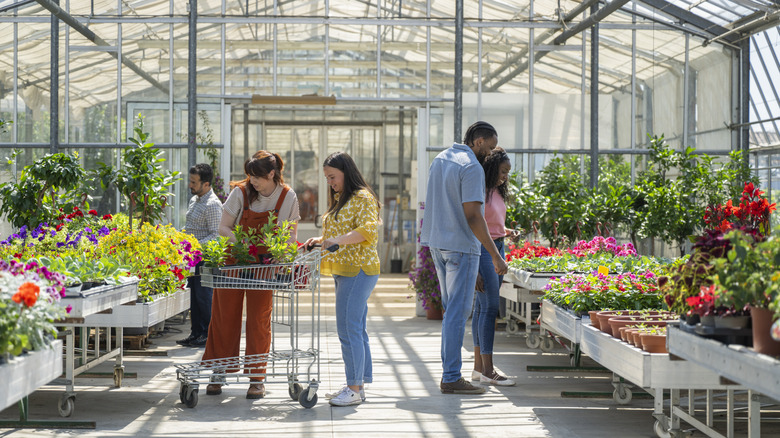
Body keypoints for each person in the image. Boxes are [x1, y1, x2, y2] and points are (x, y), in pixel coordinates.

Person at [202, 151, 300, 400]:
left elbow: (289, 237)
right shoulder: (241, 192)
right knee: (225, 316)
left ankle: (257, 378)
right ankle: (219, 371)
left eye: (257, 177)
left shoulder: (288, 197)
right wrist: (242, 246)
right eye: (249, 176)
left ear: (271, 174)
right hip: (235, 259)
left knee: (259, 320)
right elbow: (223, 227)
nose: (252, 181)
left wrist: (281, 257)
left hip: (264, 266)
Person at [420, 121, 508, 395]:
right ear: (479, 141)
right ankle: (451, 378)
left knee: (451, 313)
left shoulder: (440, 158)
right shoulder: (471, 167)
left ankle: (451, 374)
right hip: (460, 247)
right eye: (490, 147)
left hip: (438, 245)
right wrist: (495, 256)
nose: (491, 153)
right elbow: (473, 215)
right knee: (458, 314)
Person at [302, 151, 380, 407]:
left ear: (346, 172)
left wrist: (336, 240)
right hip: (344, 268)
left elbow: (367, 231)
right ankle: (359, 383)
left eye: (332, 176)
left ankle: (354, 387)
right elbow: (337, 233)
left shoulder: (363, 198)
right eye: (327, 178)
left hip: (358, 269)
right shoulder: (342, 198)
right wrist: (321, 241)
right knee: (356, 327)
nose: (330, 182)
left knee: (348, 329)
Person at [471, 147, 517, 386]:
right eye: (502, 171)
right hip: (483, 250)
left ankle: (479, 368)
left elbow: (493, 222)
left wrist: (507, 232)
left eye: (507, 172)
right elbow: (473, 224)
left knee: (482, 309)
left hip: (498, 246)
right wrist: (475, 269)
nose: (505, 177)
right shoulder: (478, 190)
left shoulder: (497, 191)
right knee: (490, 308)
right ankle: (489, 370)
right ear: (491, 168)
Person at [177, 163, 222, 347]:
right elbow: (192, 227)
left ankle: (209, 335)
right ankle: (196, 333)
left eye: (194, 182)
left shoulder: (212, 205)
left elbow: (216, 235)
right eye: (190, 180)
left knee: (204, 298)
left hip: (206, 259)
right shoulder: (195, 200)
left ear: (206, 184)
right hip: (193, 258)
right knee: (194, 298)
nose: (190, 185)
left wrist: (195, 245)